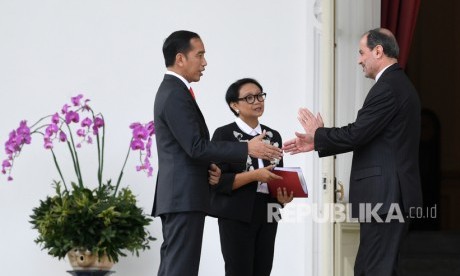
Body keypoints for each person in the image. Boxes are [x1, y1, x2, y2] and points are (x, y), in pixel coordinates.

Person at [283, 28, 422, 276]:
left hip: (386, 197)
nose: (358, 59)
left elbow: (358, 133)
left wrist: (319, 135)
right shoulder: (396, 84)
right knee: (371, 268)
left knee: (374, 270)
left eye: (361, 52)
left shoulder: (389, 87)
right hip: (388, 197)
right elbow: (364, 135)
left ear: (378, 51)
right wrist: (318, 140)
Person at [152, 31, 282, 276]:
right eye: (199, 55)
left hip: (183, 195)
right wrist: (246, 148)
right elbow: (195, 146)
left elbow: (190, 148)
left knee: (175, 267)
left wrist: (209, 166)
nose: (204, 62)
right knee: (180, 269)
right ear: (180, 58)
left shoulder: (175, 91)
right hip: (183, 196)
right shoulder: (174, 93)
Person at [209, 78, 294, 276]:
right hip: (236, 213)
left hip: (268, 212)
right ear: (234, 105)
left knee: (263, 270)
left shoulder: (273, 135)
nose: (257, 101)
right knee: (239, 271)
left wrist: (281, 199)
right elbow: (218, 182)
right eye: (249, 98)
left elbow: (276, 176)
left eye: (260, 95)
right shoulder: (224, 134)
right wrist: (254, 175)